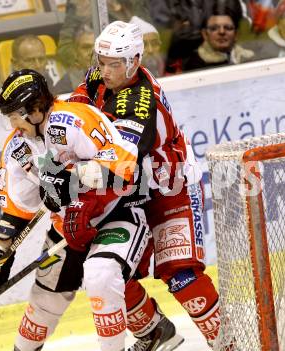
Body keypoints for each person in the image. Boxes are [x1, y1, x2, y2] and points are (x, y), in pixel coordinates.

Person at [0, 68, 164, 351]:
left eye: (15, 115)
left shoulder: (75, 119)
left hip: (115, 215)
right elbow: (17, 210)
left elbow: (127, 169)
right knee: (43, 302)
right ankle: (157, 330)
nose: (12, 123)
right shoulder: (17, 146)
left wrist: (74, 178)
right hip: (66, 228)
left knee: (101, 275)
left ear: (36, 110)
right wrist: (0, 255)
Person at [69, 20, 222, 349]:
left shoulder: (138, 102)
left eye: (114, 64)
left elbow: (115, 167)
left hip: (171, 188)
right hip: (132, 192)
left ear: (134, 61)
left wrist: (69, 179)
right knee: (107, 273)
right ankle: (154, 332)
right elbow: (76, 113)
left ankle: (231, 342)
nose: (104, 71)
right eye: (102, 62)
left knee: (181, 276)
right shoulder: (100, 77)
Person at [176, 5, 255, 72]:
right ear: (205, 34)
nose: (222, 32)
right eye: (214, 28)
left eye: (228, 27)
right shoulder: (195, 66)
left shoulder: (250, 58)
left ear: (236, 34)